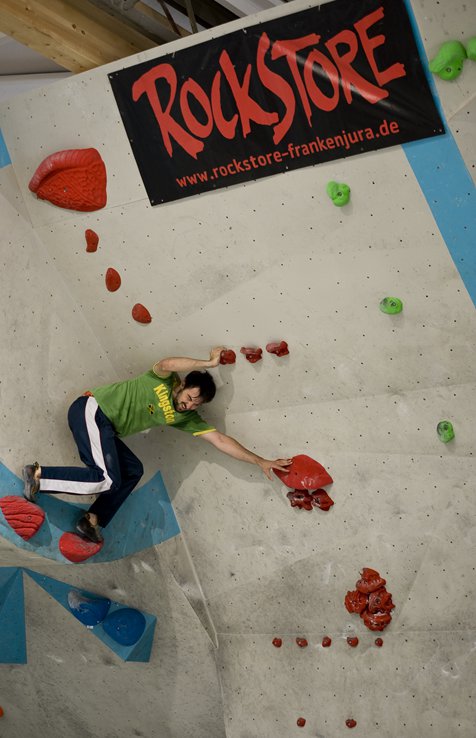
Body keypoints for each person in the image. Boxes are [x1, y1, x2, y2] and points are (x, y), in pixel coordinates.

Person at [22, 347, 291, 543]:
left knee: (132, 471)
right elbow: (168, 362)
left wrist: (260, 461)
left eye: (196, 405)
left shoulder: (184, 417)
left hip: (107, 431)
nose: (188, 405)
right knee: (105, 479)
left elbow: (220, 440)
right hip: (92, 410)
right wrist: (208, 363)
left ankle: (91, 521)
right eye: (189, 397)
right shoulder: (162, 378)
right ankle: (39, 476)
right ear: (183, 384)